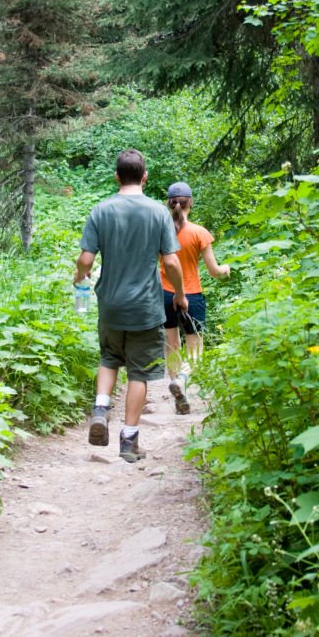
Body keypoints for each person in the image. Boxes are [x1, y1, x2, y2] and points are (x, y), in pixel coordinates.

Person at [74, 150, 188, 462]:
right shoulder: (157, 212)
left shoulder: (101, 210)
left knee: (109, 358)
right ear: (145, 176)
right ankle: (128, 441)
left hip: (110, 304)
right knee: (139, 373)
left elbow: (85, 260)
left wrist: (80, 278)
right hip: (146, 307)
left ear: (116, 176)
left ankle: (100, 409)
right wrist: (178, 293)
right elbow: (171, 262)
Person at [160, 181, 231, 414]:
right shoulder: (200, 233)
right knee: (195, 349)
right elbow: (214, 271)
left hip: (163, 294)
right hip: (192, 295)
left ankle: (178, 397)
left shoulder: (159, 230)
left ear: (169, 203)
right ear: (190, 202)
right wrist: (226, 269)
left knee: (171, 345)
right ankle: (182, 380)